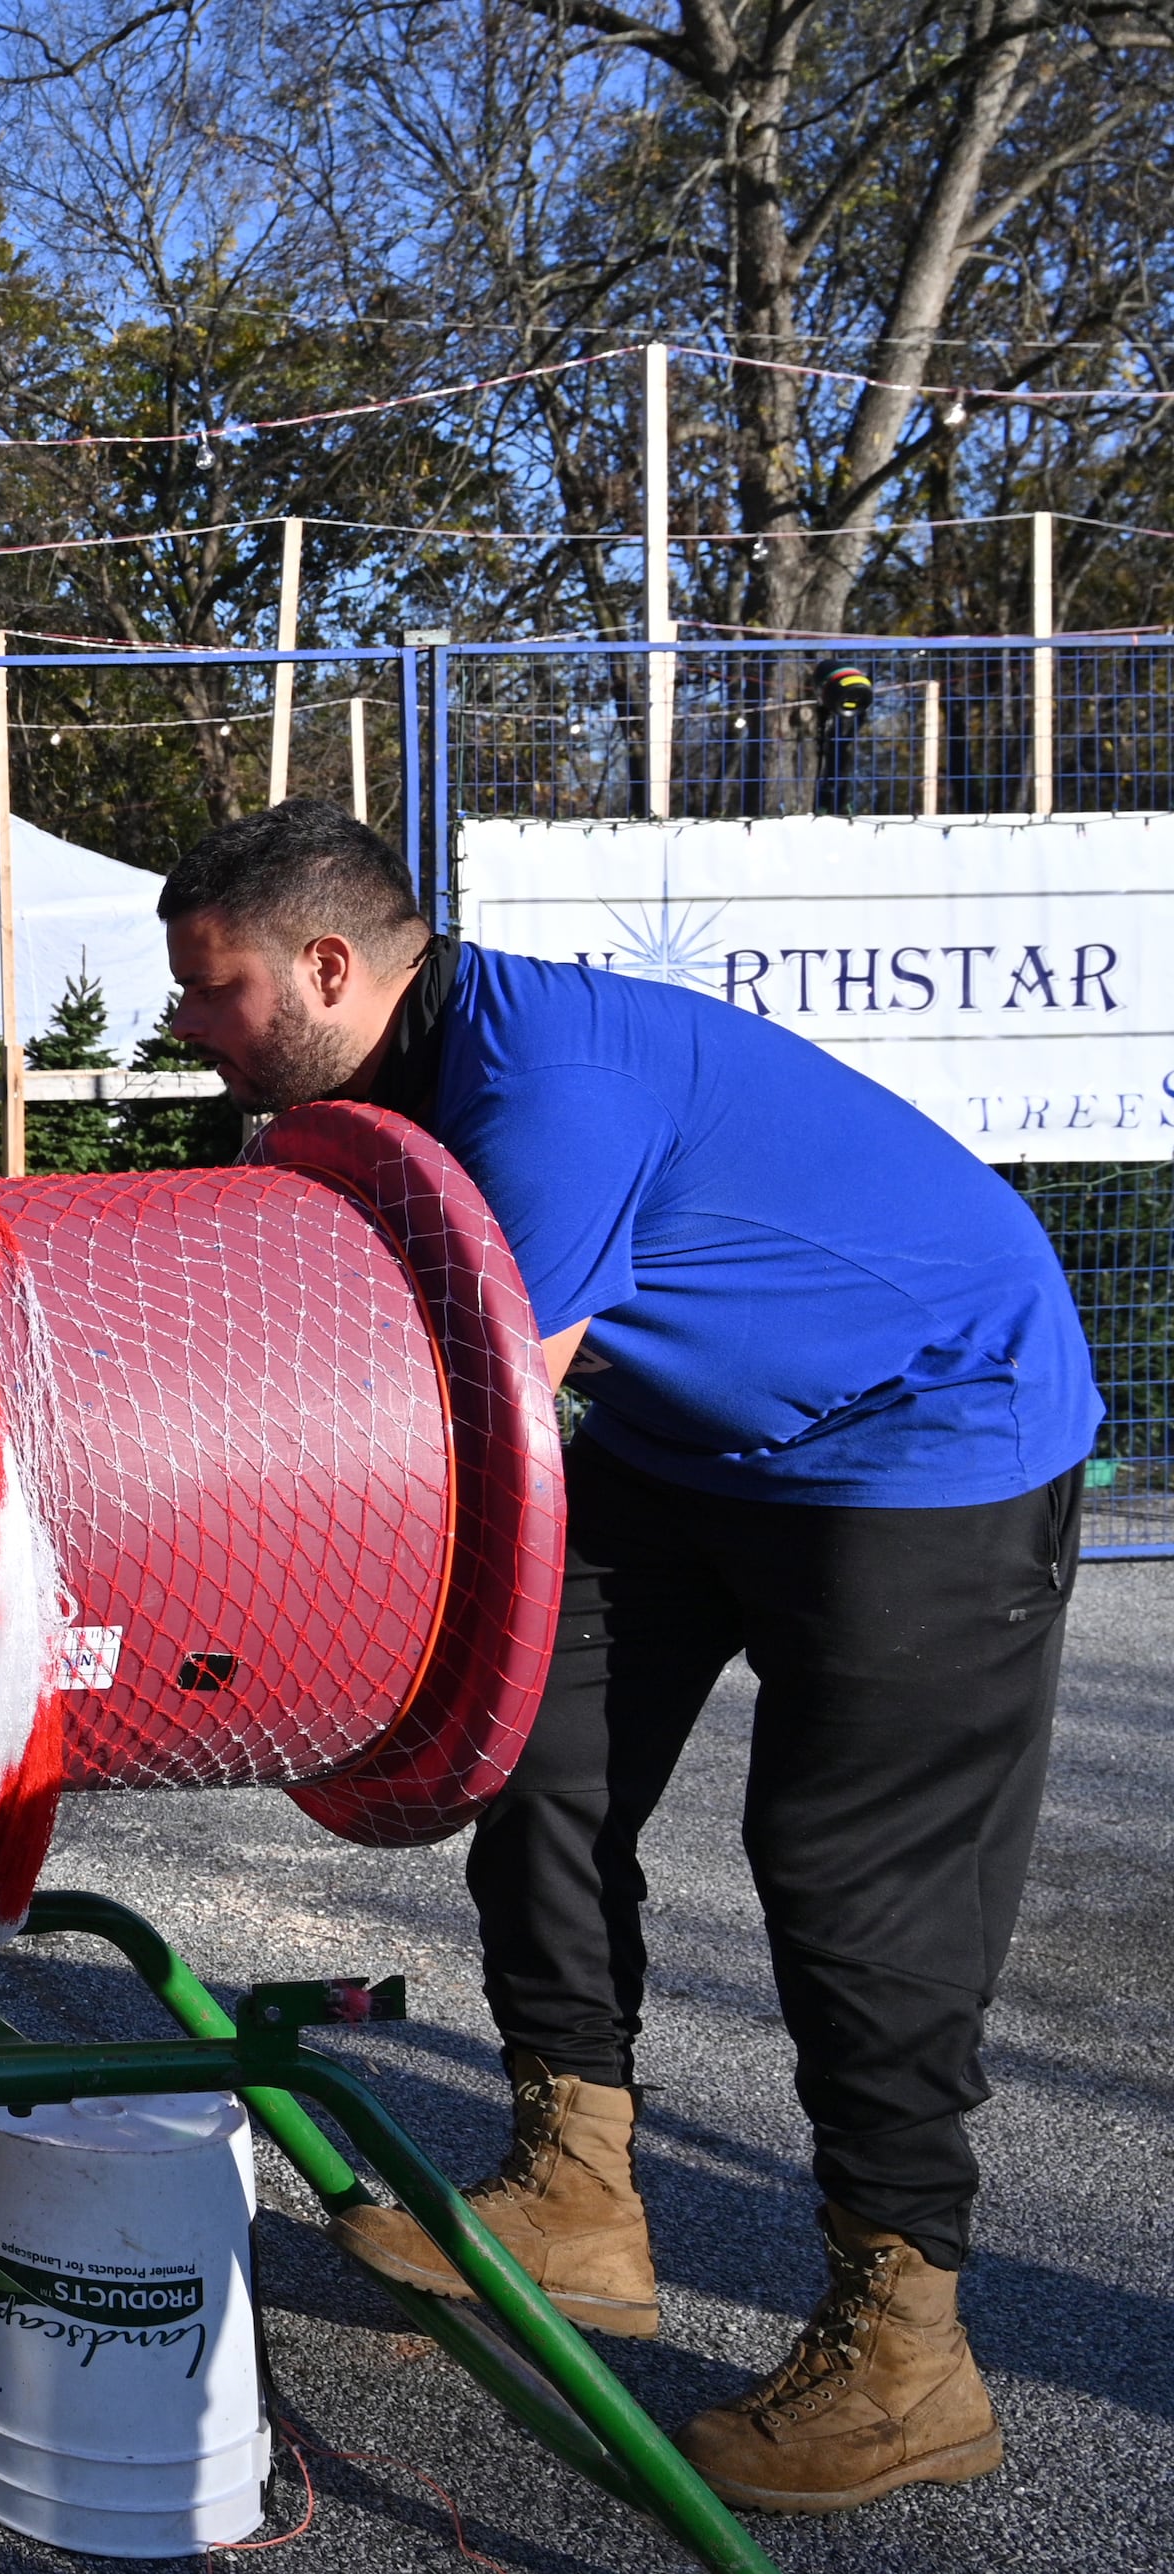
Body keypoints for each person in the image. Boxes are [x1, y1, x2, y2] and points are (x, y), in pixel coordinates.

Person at [155, 798, 1093, 2518]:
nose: (185, 1025)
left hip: (928, 1421)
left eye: (211, 992)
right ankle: (577, 2186)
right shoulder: (375, 1084)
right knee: (541, 1745)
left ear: (328, 966)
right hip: (692, 1439)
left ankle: (907, 2348)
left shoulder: (542, 1088)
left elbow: (471, 1413)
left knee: (846, 1878)